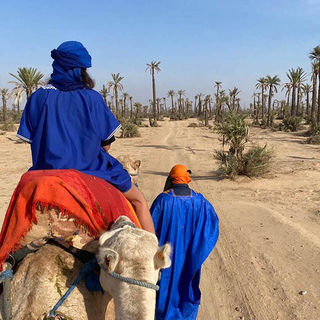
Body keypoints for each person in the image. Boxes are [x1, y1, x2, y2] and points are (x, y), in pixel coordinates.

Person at [16, 40, 154, 233]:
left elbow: (31, 139)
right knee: (139, 201)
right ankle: (155, 258)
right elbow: (106, 145)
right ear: (81, 70)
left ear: (56, 66)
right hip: (90, 172)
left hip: (46, 173)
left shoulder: (38, 97)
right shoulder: (92, 98)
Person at [150, 164, 219, 320]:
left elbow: (150, 228)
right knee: (187, 283)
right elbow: (211, 227)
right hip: (190, 256)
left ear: (172, 179)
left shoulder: (163, 199)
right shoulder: (200, 201)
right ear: (187, 179)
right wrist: (198, 251)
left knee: (165, 286)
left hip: (166, 256)